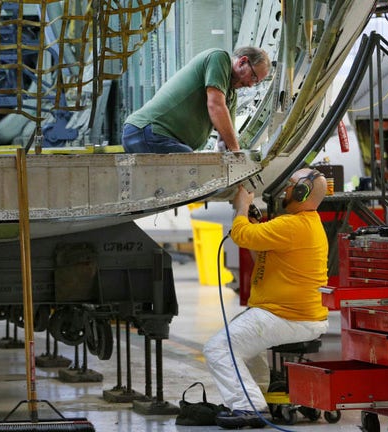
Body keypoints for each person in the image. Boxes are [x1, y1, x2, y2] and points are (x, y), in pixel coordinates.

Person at [203, 168, 330, 429]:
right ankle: (256, 394)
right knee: (244, 345)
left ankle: (248, 406)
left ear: (301, 192)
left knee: (217, 348)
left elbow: (241, 236)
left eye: (290, 184)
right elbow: (258, 253)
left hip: (288, 316)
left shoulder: (293, 225)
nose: (285, 189)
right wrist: (251, 220)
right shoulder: (303, 224)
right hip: (288, 314)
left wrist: (241, 207)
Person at [122, 46, 270, 154]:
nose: (251, 85)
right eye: (253, 77)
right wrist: (237, 154)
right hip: (147, 131)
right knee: (192, 173)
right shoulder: (219, 58)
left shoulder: (231, 95)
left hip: (162, 138)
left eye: (256, 83)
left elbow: (226, 139)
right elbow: (215, 105)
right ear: (242, 62)